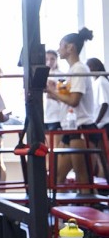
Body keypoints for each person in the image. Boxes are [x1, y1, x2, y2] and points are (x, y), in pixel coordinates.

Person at [47, 28, 99, 190]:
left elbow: (74, 100)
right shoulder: (72, 71)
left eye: (61, 45)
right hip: (70, 129)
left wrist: (53, 92)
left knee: (82, 178)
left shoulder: (79, 69)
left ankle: (89, 209)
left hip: (81, 129)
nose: (58, 49)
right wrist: (54, 91)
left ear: (71, 48)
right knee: (56, 177)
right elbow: (68, 98)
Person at [86, 57, 109, 178]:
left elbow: (104, 104)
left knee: (103, 157)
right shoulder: (96, 82)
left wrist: (96, 122)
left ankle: (104, 187)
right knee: (100, 158)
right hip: (100, 124)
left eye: (88, 67)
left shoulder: (101, 81)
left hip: (103, 125)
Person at [44, 50, 66, 132]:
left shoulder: (62, 76)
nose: (49, 62)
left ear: (57, 60)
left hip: (56, 116)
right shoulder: (40, 75)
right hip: (44, 116)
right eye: (46, 59)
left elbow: (65, 97)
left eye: (52, 59)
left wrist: (52, 92)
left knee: (56, 144)